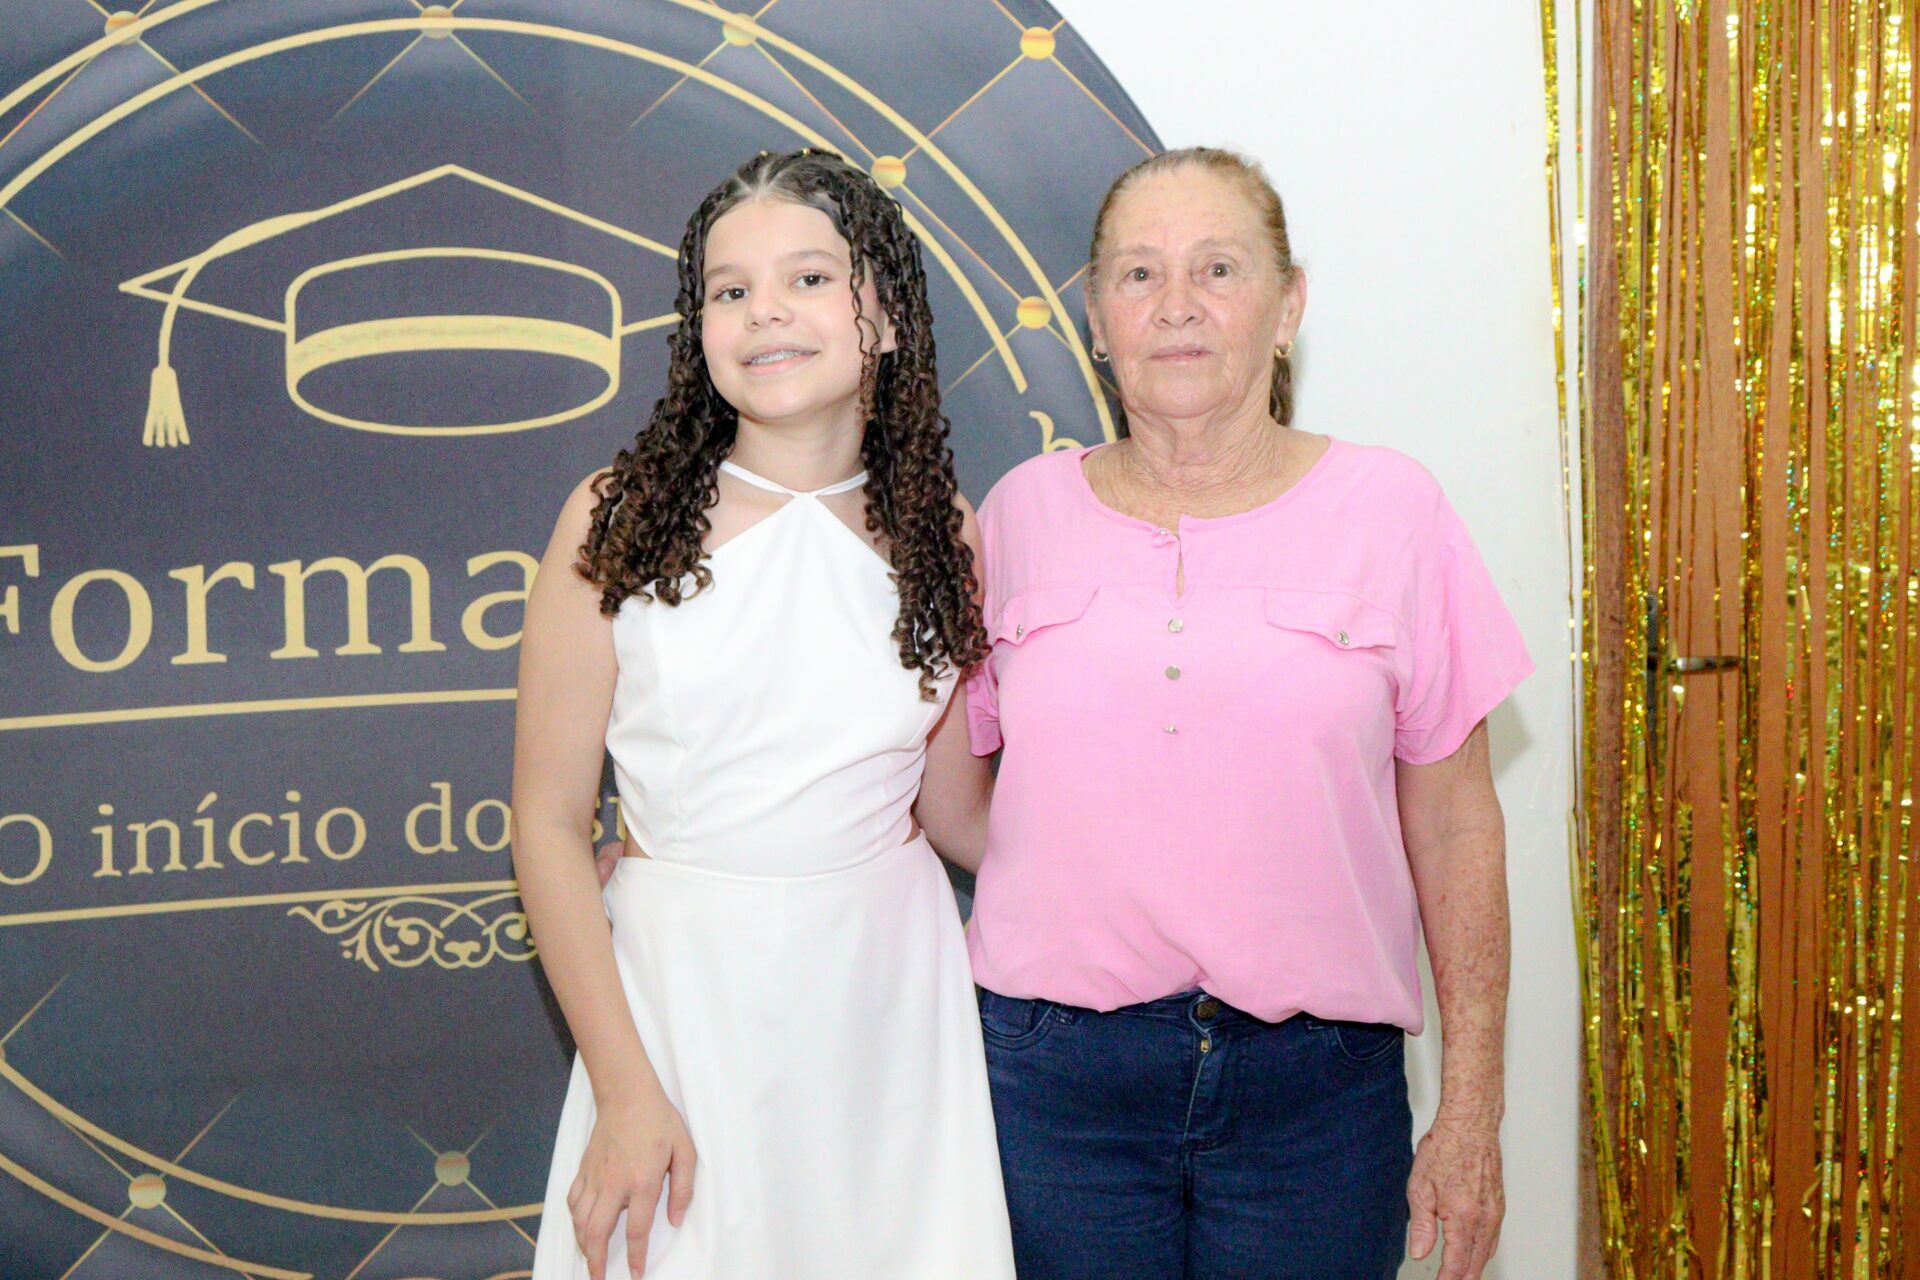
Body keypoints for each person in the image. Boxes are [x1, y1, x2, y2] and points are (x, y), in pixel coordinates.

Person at [963, 147, 1529, 1280]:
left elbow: (1457, 825)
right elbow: (945, 788)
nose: (1177, 304)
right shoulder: (1018, 514)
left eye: (1218, 268)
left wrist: (1471, 1114)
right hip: (1052, 1093)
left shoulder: (1395, 510)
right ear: (1096, 318)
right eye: (1139, 274)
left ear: (1289, 305)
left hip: (1318, 1100)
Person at [513, 149, 1014, 1280]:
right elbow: (545, 824)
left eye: (809, 279)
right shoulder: (617, 517)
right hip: (678, 1004)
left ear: (886, 316)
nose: (765, 312)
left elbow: (956, 815)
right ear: (698, 330)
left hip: (889, 1009)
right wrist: (627, 1090)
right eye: (730, 290)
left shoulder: (945, 530)